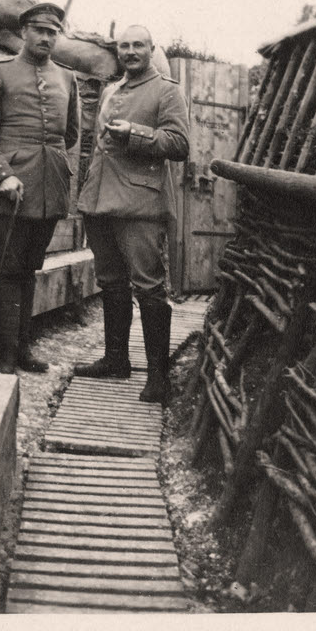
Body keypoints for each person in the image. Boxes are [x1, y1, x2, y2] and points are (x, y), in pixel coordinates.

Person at [75, 24, 190, 404]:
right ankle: (116, 359)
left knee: (149, 286)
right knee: (110, 281)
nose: (130, 51)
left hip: (140, 206)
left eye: (138, 45)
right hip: (100, 201)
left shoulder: (167, 91)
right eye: (124, 46)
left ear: (152, 49)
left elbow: (179, 144)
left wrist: (136, 134)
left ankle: (159, 378)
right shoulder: (111, 90)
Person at [0, 2, 79, 374]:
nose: (46, 38)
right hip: (10, 189)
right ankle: (2, 356)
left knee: (30, 268)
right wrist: (3, 174)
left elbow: (71, 133)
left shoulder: (67, 78)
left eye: (53, 32)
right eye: (39, 30)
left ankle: (22, 350)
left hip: (50, 187)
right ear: (23, 33)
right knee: (9, 269)